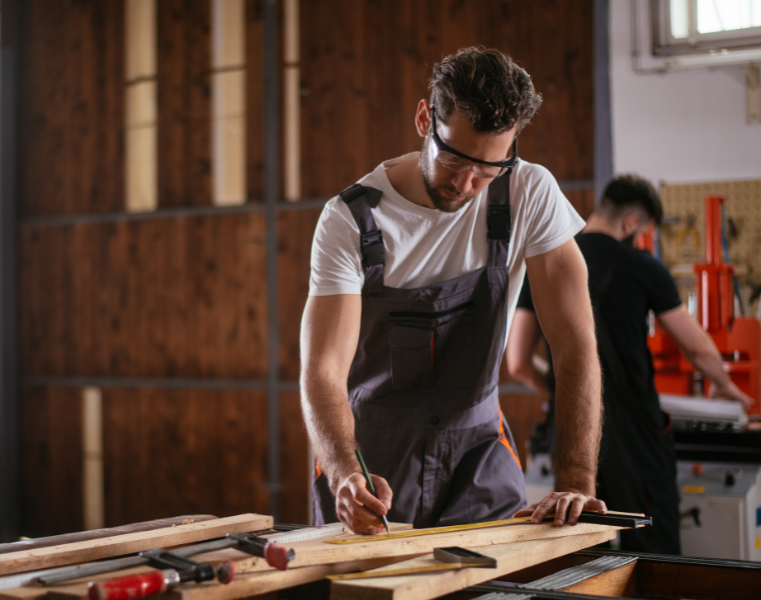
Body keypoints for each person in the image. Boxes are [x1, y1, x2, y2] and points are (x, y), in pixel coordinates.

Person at [301, 47, 606, 535]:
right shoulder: (351, 220)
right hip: (371, 463)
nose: (466, 184)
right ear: (425, 118)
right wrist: (344, 472)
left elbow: (574, 346)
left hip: (478, 458)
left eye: (489, 169)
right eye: (455, 158)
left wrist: (576, 480)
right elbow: (322, 370)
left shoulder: (529, 192)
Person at [507, 174, 754, 554]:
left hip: (571, 432)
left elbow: (518, 362)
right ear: (631, 223)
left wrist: (567, 396)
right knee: (652, 551)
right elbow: (698, 349)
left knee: (578, 547)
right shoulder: (641, 264)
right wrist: (724, 385)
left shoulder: (545, 261)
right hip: (635, 435)